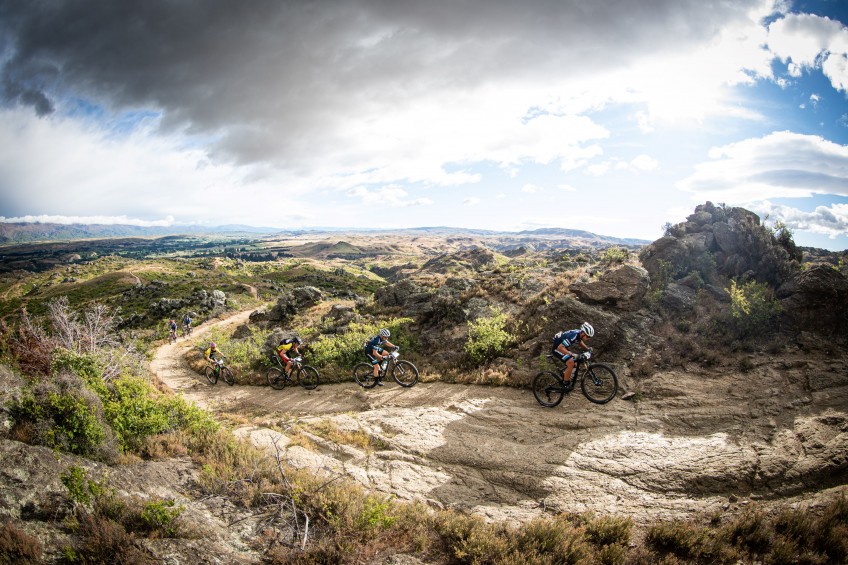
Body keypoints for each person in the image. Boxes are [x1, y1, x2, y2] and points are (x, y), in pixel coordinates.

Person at [551, 322, 594, 388]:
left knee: (575, 363)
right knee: (571, 362)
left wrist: (587, 349)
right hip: (557, 348)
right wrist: (572, 354)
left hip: (562, 346)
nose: (588, 338)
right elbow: (560, 348)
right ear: (583, 333)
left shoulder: (579, 335)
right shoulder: (573, 336)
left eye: (590, 337)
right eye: (588, 336)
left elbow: (579, 341)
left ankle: (566, 377)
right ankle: (565, 383)